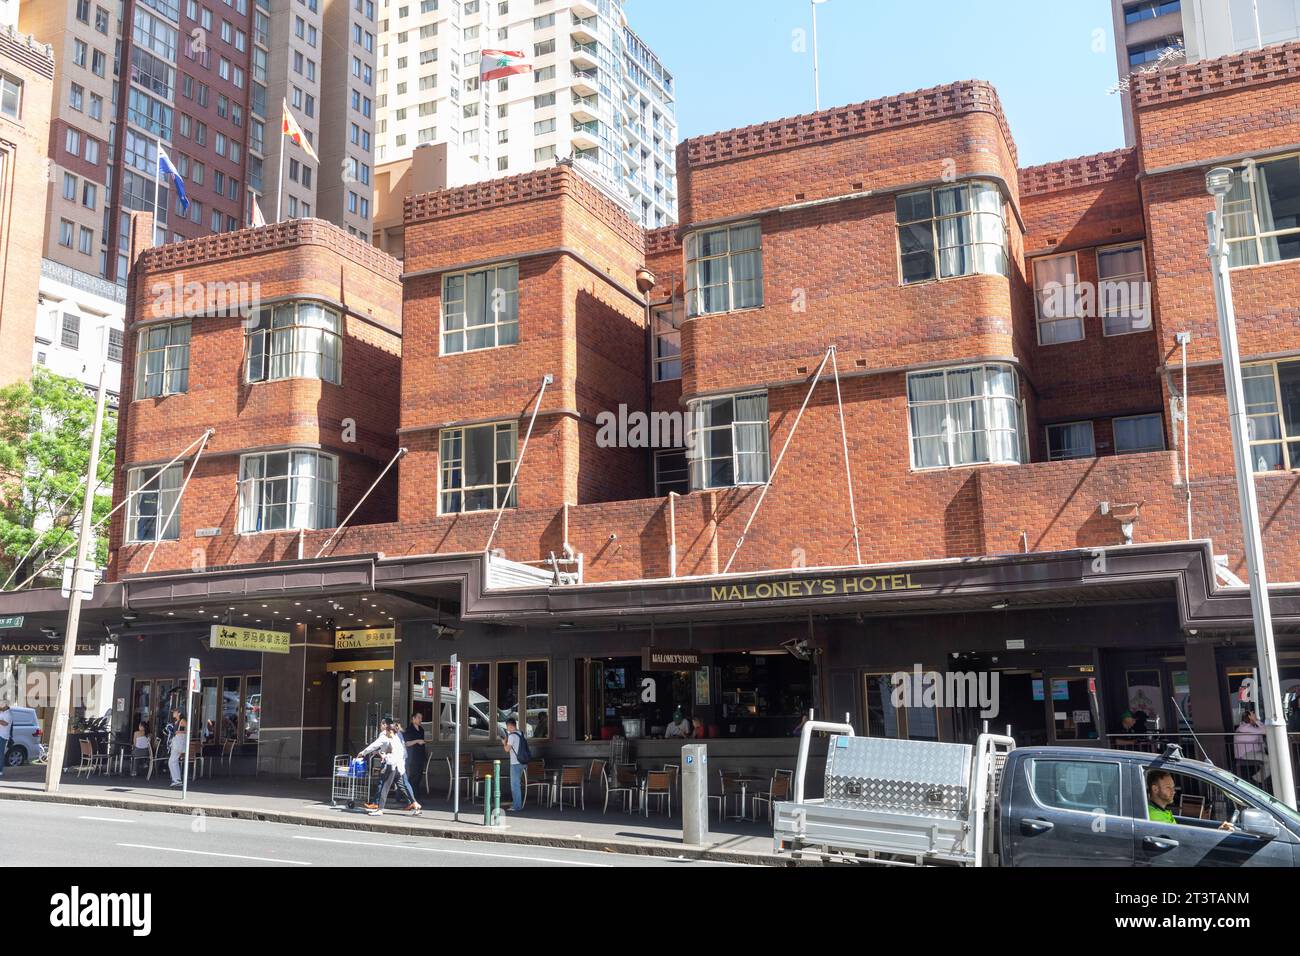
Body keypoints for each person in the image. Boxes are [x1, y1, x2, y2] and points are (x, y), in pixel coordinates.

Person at [361, 719, 420, 816]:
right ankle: (415, 803)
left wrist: (363, 753)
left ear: (390, 731)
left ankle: (380, 809)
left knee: (385, 786)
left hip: (392, 766)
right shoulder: (398, 738)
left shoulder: (391, 740)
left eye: (387, 732)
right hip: (398, 768)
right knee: (402, 785)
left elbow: (375, 746)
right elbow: (398, 753)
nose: (385, 733)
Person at [1147, 770, 1234, 830]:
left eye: (1173, 787)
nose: (1173, 791)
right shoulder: (1155, 816)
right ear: (1155, 789)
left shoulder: (1160, 810)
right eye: (1168, 787)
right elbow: (1180, 839)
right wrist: (1218, 834)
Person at [1234, 708, 1269, 784]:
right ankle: (1256, 780)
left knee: (1270, 758)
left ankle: (1258, 779)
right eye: (1254, 716)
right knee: (1269, 760)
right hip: (1245, 754)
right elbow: (1266, 731)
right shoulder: (1245, 727)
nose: (1256, 717)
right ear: (1250, 717)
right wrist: (1256, 720)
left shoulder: (1251, 727)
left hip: (1251, 752)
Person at [502, 717, 524, 812]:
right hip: (523, 762)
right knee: (517, 784)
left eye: (507, 726)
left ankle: (516, 806)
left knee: (515, 785)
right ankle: (517, 803)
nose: (507, 728)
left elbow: (507, 749)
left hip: (515, 763)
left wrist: (504, 743)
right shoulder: (521, 733)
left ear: (510, 726)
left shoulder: (511, 736)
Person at [404, 711, 427, 798]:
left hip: (420, 756)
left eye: (421, 718)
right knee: (413, 777)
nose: (420, 720)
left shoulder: (421, 730)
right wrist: (417, 741)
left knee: (419, 777)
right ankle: (410, 797)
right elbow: (406, 743)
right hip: (412, 757)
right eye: (418, 718)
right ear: (413, 719)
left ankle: (415, 797)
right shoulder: (409, 730)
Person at [167, 716, 187, 788]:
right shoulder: (176, 722)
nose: (173, 713)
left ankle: (177, 780)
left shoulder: (182, 720)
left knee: (172, 761)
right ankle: (176, 779)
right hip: (175, 742)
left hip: (178, 742)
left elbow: (189, 730)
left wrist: (179, 732)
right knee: (172, 761)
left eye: (175, 712)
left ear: (179, 713)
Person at [0, 700, 11, 778]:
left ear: (6, 705)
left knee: (0, 754)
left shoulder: (9, 714)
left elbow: (5, 723)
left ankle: (0, 770)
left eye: (2, 705)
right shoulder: (2, 712)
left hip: (2, 736)